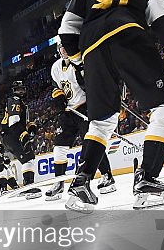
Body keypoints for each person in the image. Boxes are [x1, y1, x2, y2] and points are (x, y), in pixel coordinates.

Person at [58, 0, 164, 212]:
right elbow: (162, 18)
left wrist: (82, 61)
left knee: (101, 123)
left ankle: (80, 186)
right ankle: (148, 180)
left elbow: (67, 34)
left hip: (92, 49)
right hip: (129, 36)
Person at [44, 37, 115, 202]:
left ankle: (107, 176)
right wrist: (58, 97)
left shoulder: (80, 61)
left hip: (84, 107)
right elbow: (56, 87)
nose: (64, 50)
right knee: (59, 146)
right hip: (68, 112)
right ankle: (59, 183)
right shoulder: (56, 67)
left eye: (66, 46)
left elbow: (91, 82)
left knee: (92, 142)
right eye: (61, 47)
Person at [0, 80, 41, 198]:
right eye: (18, 90)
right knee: (28, 158)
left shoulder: (20, 102)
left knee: (28, 158)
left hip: (9, 136)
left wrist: (31, 128)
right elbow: (13, 122)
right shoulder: (15, 100)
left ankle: (28, 186)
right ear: (13, 91)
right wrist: (23, 134)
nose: (21, 92)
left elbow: (23, 122)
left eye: (22, 89)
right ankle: (28, 187)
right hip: (12, 134)